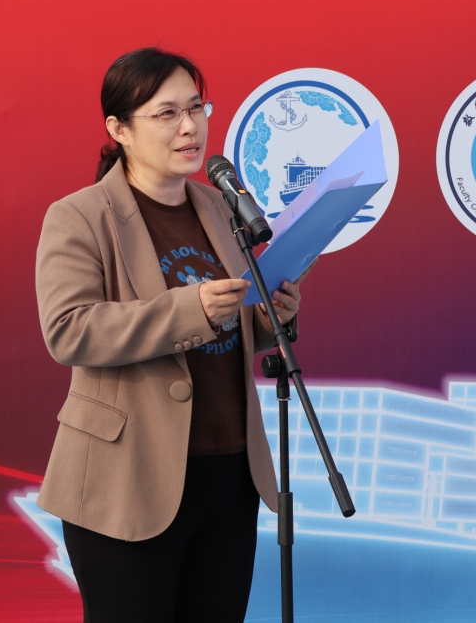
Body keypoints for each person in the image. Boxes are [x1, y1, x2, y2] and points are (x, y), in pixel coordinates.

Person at [35, 47, 310, 622]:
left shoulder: (222, 208)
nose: (190, 127)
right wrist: (190, 309)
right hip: (126, 478)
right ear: (119, 129)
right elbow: (69, 330)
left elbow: (232, 328)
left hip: (229, 473)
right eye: (167, 113)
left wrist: (271, 317)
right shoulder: (80, 215)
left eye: (196, 108)